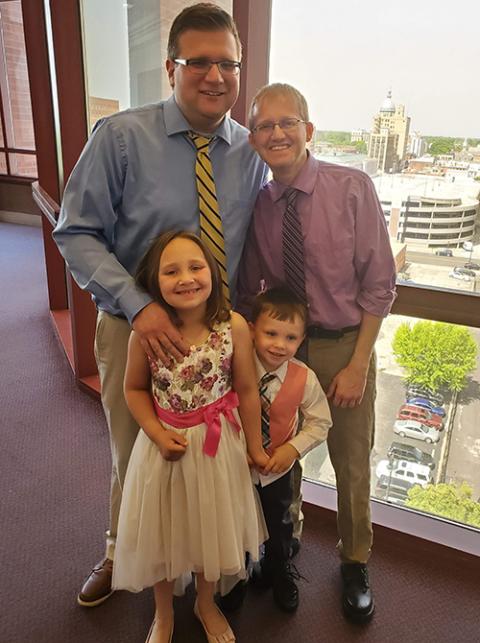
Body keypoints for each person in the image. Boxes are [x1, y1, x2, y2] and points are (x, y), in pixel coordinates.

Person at [53, 3, 266, 607]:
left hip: (218, 335)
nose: (215, 75)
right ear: (170, 65)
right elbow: (76, 232)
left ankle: (209, 560)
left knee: (214, 450)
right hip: (136, 328)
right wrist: (137, 304)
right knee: (138, 450)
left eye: (228, 63)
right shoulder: (121, 137)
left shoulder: (250, 153)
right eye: (199, 61)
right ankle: (123, 550)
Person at [237, 83, 397, 623]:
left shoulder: (352, 187)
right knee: (283, 455)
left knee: (352, 460)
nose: (276, 133)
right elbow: (254, 287)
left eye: (288, 122)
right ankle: (288, 540)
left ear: (309, 129)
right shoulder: (260, 204)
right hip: (285, 349)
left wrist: (357, 364)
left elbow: (380, 284)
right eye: (264, 126)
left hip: (344, 344)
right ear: (254, 138)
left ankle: (355, 561)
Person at [112, 230, 268, 643]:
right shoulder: (145, 334)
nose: (186, 278)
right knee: (163, 533)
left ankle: (205, 602)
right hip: (164, 447)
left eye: (196, 267)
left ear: (212, 273)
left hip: (217, 449)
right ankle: (163, 614)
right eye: (171, 270)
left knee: (209, 529)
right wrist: (158, 435)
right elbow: (133, 390)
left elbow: (247, 389)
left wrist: (254, 445)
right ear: (155, 280)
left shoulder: (231, 326)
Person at [248, 287, 331, 613]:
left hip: (278, 470)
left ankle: (278, 570)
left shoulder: (304, 377)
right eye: (270, 333)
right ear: (252, 328)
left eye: (290, 337)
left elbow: (320, 422)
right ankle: (234, 575)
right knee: (236, 519)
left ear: (301, 339)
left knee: (280, 523)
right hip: (236, 467)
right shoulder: (237, 369)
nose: (279, 345)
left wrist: (293, 450)